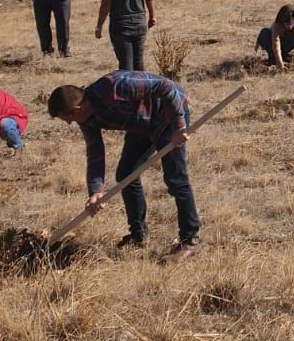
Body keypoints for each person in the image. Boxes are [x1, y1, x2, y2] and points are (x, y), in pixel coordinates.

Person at [48, 71, 198, 258]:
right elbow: (95, 153)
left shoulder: (114, 87)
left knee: (175, 177)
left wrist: (179, 126)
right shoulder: (87, 119)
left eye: (68, 119)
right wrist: (96, 191)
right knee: (127, 175)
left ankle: (189, 240)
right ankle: (139, 235)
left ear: (77, 109)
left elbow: (166, 86)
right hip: (141, 124)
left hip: (167, 113)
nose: (70, 123)